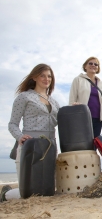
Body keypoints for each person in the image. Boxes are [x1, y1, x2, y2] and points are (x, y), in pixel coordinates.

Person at [2, 64, 60, 202]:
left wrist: (73, 108)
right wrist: (19, 136)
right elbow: (12, 124)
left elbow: (62, 119)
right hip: (30, 147)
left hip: (50, 148)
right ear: (34, 77)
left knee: (48, 189)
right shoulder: (24, 97)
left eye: (49, 76)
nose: (47, 79)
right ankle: (5, 194)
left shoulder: (54, 102)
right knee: (27, 193)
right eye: (43, 76)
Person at [69, 57, 102, 138]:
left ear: (98, 68)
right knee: (81, 142)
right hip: (81, 117)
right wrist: (72, 118)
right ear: (85, 66)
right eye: (90, 63)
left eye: (96, 64)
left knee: (93, 144)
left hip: (98, 119)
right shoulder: (78, 80)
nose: (93, 65)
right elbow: (72, 99)